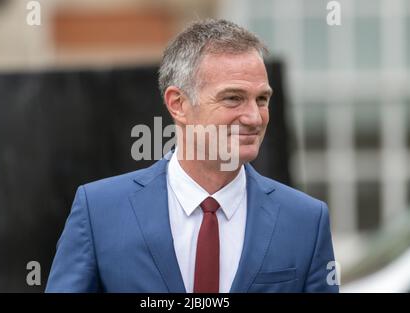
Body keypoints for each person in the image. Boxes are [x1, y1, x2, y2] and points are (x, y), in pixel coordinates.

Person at [46, 19, 339, 293]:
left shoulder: (305, 221)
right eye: (233, 98)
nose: (254, 117)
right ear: (178, 104)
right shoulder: (99, 212)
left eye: (262, 99)